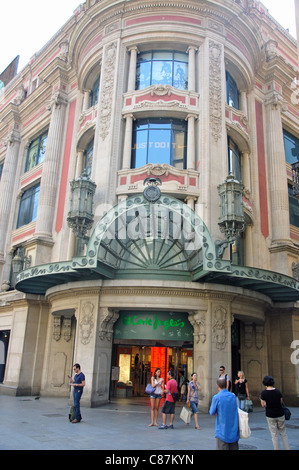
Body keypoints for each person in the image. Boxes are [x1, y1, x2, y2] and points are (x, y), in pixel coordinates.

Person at [260, 375, 290, 450]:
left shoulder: (264, 393)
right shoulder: (277, 391)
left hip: (270, 414)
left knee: (274, 435)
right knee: (283, 433)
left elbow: (262, 404)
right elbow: (281, 401)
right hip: (280, 413)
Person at [209, 378, 239, 450]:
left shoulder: (216, 397)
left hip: (222, 432)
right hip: (234, 430)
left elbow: (211, 412)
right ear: (226, 385)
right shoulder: (233, 396)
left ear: (217, 386)